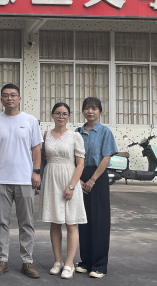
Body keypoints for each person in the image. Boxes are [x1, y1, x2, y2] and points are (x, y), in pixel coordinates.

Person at [0, 83, 42, 279]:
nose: (9, 98)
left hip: (25, 179)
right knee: (1, 222)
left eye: (13, 95)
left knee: (26, 222)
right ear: (1, 99)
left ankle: (27, 261)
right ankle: (2, 260)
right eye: (5, 95)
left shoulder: (30, 120)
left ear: (19, 98)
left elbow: (36, 148)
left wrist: (36, 172)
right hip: (1, 178)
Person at [40, 102, 87, 280]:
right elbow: (42, 160)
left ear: (69, 116)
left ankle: (69, 263)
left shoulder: (75, 136)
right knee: (54, 222)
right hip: (51, 179)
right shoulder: (46, 135)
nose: (61, 116)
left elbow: (80, 164)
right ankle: (57, 261)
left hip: (69, 179)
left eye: (65, 113)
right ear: (52, 115)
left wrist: (72, 186)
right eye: (58, 113)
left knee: (71, 223)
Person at [75, 97, 118, 279]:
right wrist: (78, 180)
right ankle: (85, 261)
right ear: (83, 111)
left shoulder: (105, 132)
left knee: (99, 220)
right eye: (87, 108)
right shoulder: (77, 133)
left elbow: (106, 157)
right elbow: (74, 157)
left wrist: (92, 180)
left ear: (100, 111)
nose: (90, 111)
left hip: (98, 177)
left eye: (94, 108)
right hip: (80, 176)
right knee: (82, 219)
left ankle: (99, 265)